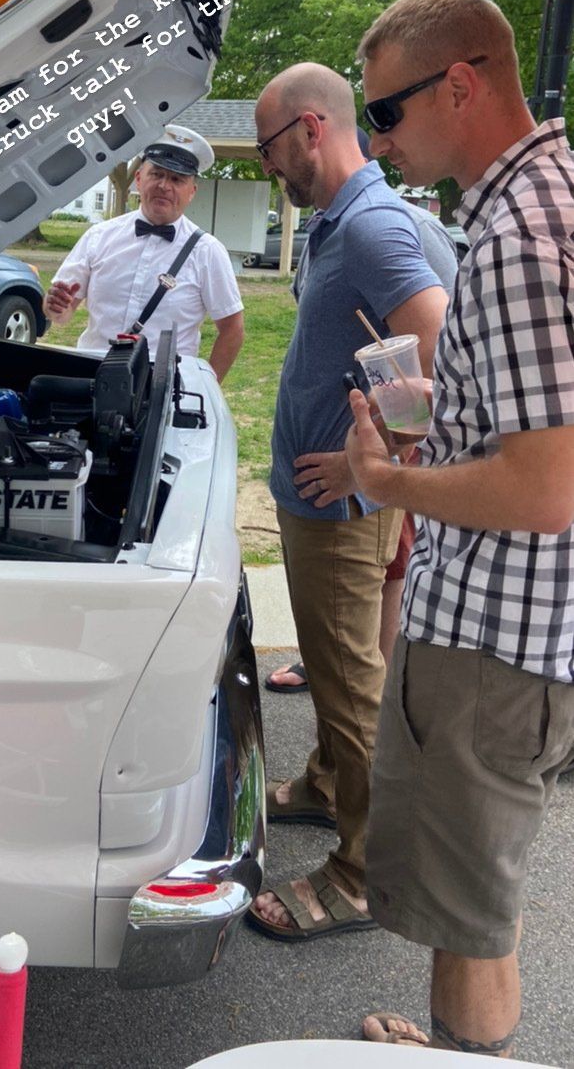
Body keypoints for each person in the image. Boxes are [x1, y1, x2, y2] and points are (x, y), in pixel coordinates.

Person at [344, 0, 574, 1055]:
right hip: (522, 634)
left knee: (471, 913)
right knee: (473, 889)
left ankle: (465, 1055)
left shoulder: (520, 237)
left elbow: (542, 487)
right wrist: (453, 416)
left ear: (463, 85)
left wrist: (392, 486)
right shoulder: (554, 196)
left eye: (384, 110)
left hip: (494, 638)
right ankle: (451, 1049)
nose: (378, 137)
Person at [248, 63, 449, 942]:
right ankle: (330, 787)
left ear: (309, 129)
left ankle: (365, 872)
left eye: (266, 148)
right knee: (334, 667)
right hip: (324, 500)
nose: (266, 168)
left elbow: (441, 342)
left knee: (348, 678)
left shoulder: (370, 227)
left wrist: (382, 458)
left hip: (341, 508)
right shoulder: (347, 222)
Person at [267, 170, 459, 693]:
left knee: (384, 586)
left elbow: (437, 362)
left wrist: (368, 466)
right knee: (355, 625)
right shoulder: (327, 227)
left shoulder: (395, 229)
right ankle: (354, 675)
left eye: (270, 151)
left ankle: (377, 692)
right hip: (348, 472)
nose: (267, 167)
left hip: (383, 470)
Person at [43, 125, 244, 381]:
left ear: (191, 192)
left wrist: (205, 386)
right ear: (139, 179)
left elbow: (232, 330)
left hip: (164, 386)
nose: (164, 185)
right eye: (156, 174)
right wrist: (54, 306)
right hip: (93, 375)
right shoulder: (99, 236)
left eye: (176, 179)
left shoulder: (208, 252)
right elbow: (61, 313)